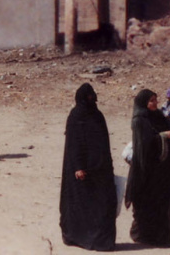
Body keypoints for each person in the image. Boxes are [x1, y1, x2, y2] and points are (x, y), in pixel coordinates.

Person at [124, 87, 170, 247]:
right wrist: (165, 136)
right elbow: (144, 144)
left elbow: (169, 125)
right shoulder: (139, 120)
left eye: (156, 100)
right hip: (148, 170)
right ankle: (149, 236)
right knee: (150, 202)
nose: (155, 103)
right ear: (144, 102)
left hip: (165, 166)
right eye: (151, 100)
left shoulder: (157, 115)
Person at [59, 83, 116, 251]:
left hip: (100, 167)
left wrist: (107, 164)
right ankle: (77, 236)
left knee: (103, 203)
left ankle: (101, 241)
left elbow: (104, 142)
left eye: (93, 96)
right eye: (88, 97)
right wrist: (78, 166)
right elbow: (73, 144)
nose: (91, 99)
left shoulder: (97, 115)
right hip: (81, 170)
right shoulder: (76, 116)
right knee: (80, 203)